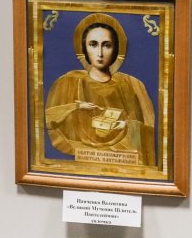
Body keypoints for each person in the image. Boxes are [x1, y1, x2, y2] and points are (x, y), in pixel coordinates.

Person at [44, 14, 156, 166]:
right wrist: (76, 106)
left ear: (116, 49)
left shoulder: (132, 85)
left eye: (107, 45)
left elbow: (149, 129)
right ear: (84, 48)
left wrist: (126, 126)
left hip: (123, 160)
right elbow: (48, 119)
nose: (100, 53)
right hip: (79, 158)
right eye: (93, 44)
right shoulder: (67, 82)